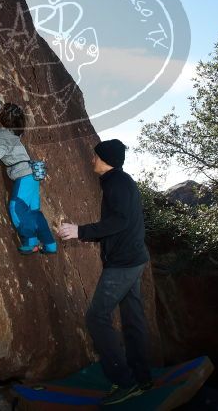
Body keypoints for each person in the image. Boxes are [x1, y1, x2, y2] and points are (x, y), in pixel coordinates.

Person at [58, 139, 153, 406]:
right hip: (133, 260)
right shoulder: (121, 181)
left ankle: (125, 382)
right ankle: (142, 376)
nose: (92, 160)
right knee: (133, 318)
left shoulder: (116, 183)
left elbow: (120, 221)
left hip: (123, 264)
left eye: (95, 157)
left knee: (96, 317)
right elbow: (123, 221)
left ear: (106, 159)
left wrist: (80, 232)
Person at [0, 85, 57, 255]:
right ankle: (49, 244)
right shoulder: (14, 128)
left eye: (0, 114)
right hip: (32, 175)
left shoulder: (4, 137)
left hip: (24, 177)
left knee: (16, 207)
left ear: (4, 121)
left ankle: (29, 242)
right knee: (34, 212)